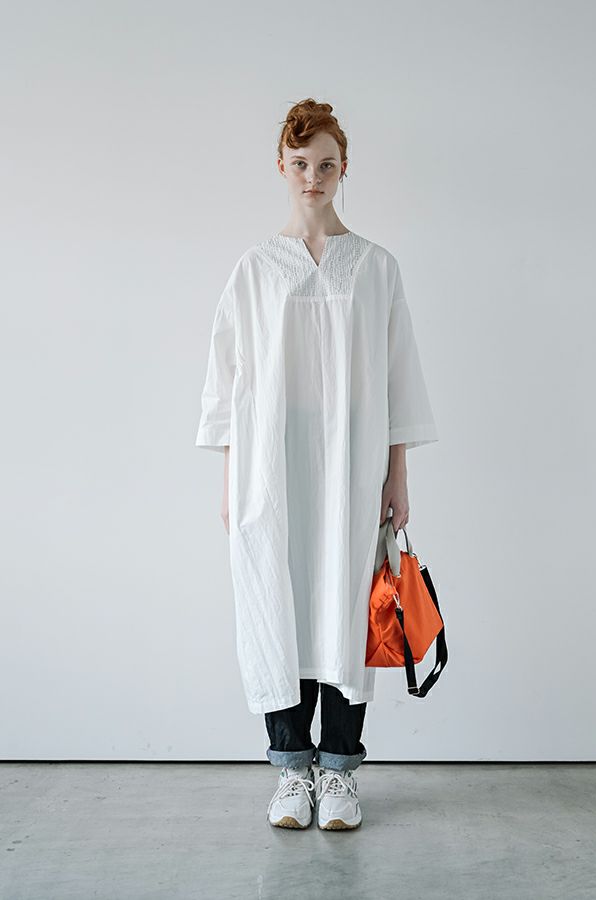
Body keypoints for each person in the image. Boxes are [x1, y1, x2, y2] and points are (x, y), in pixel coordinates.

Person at [195, 98, 439, 830]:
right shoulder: (254, 269)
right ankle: (290, 773)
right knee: (277, 602)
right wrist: (232, 480)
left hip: (352, 461)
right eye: (300, 164)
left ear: (343, 168)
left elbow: (397, 378)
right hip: (272, 463)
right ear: (281, 165)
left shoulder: (377, 267)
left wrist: (398, 475)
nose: (313, 177)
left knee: (345, 604)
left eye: (326, 164)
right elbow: (227, 381)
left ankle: (338, 773)